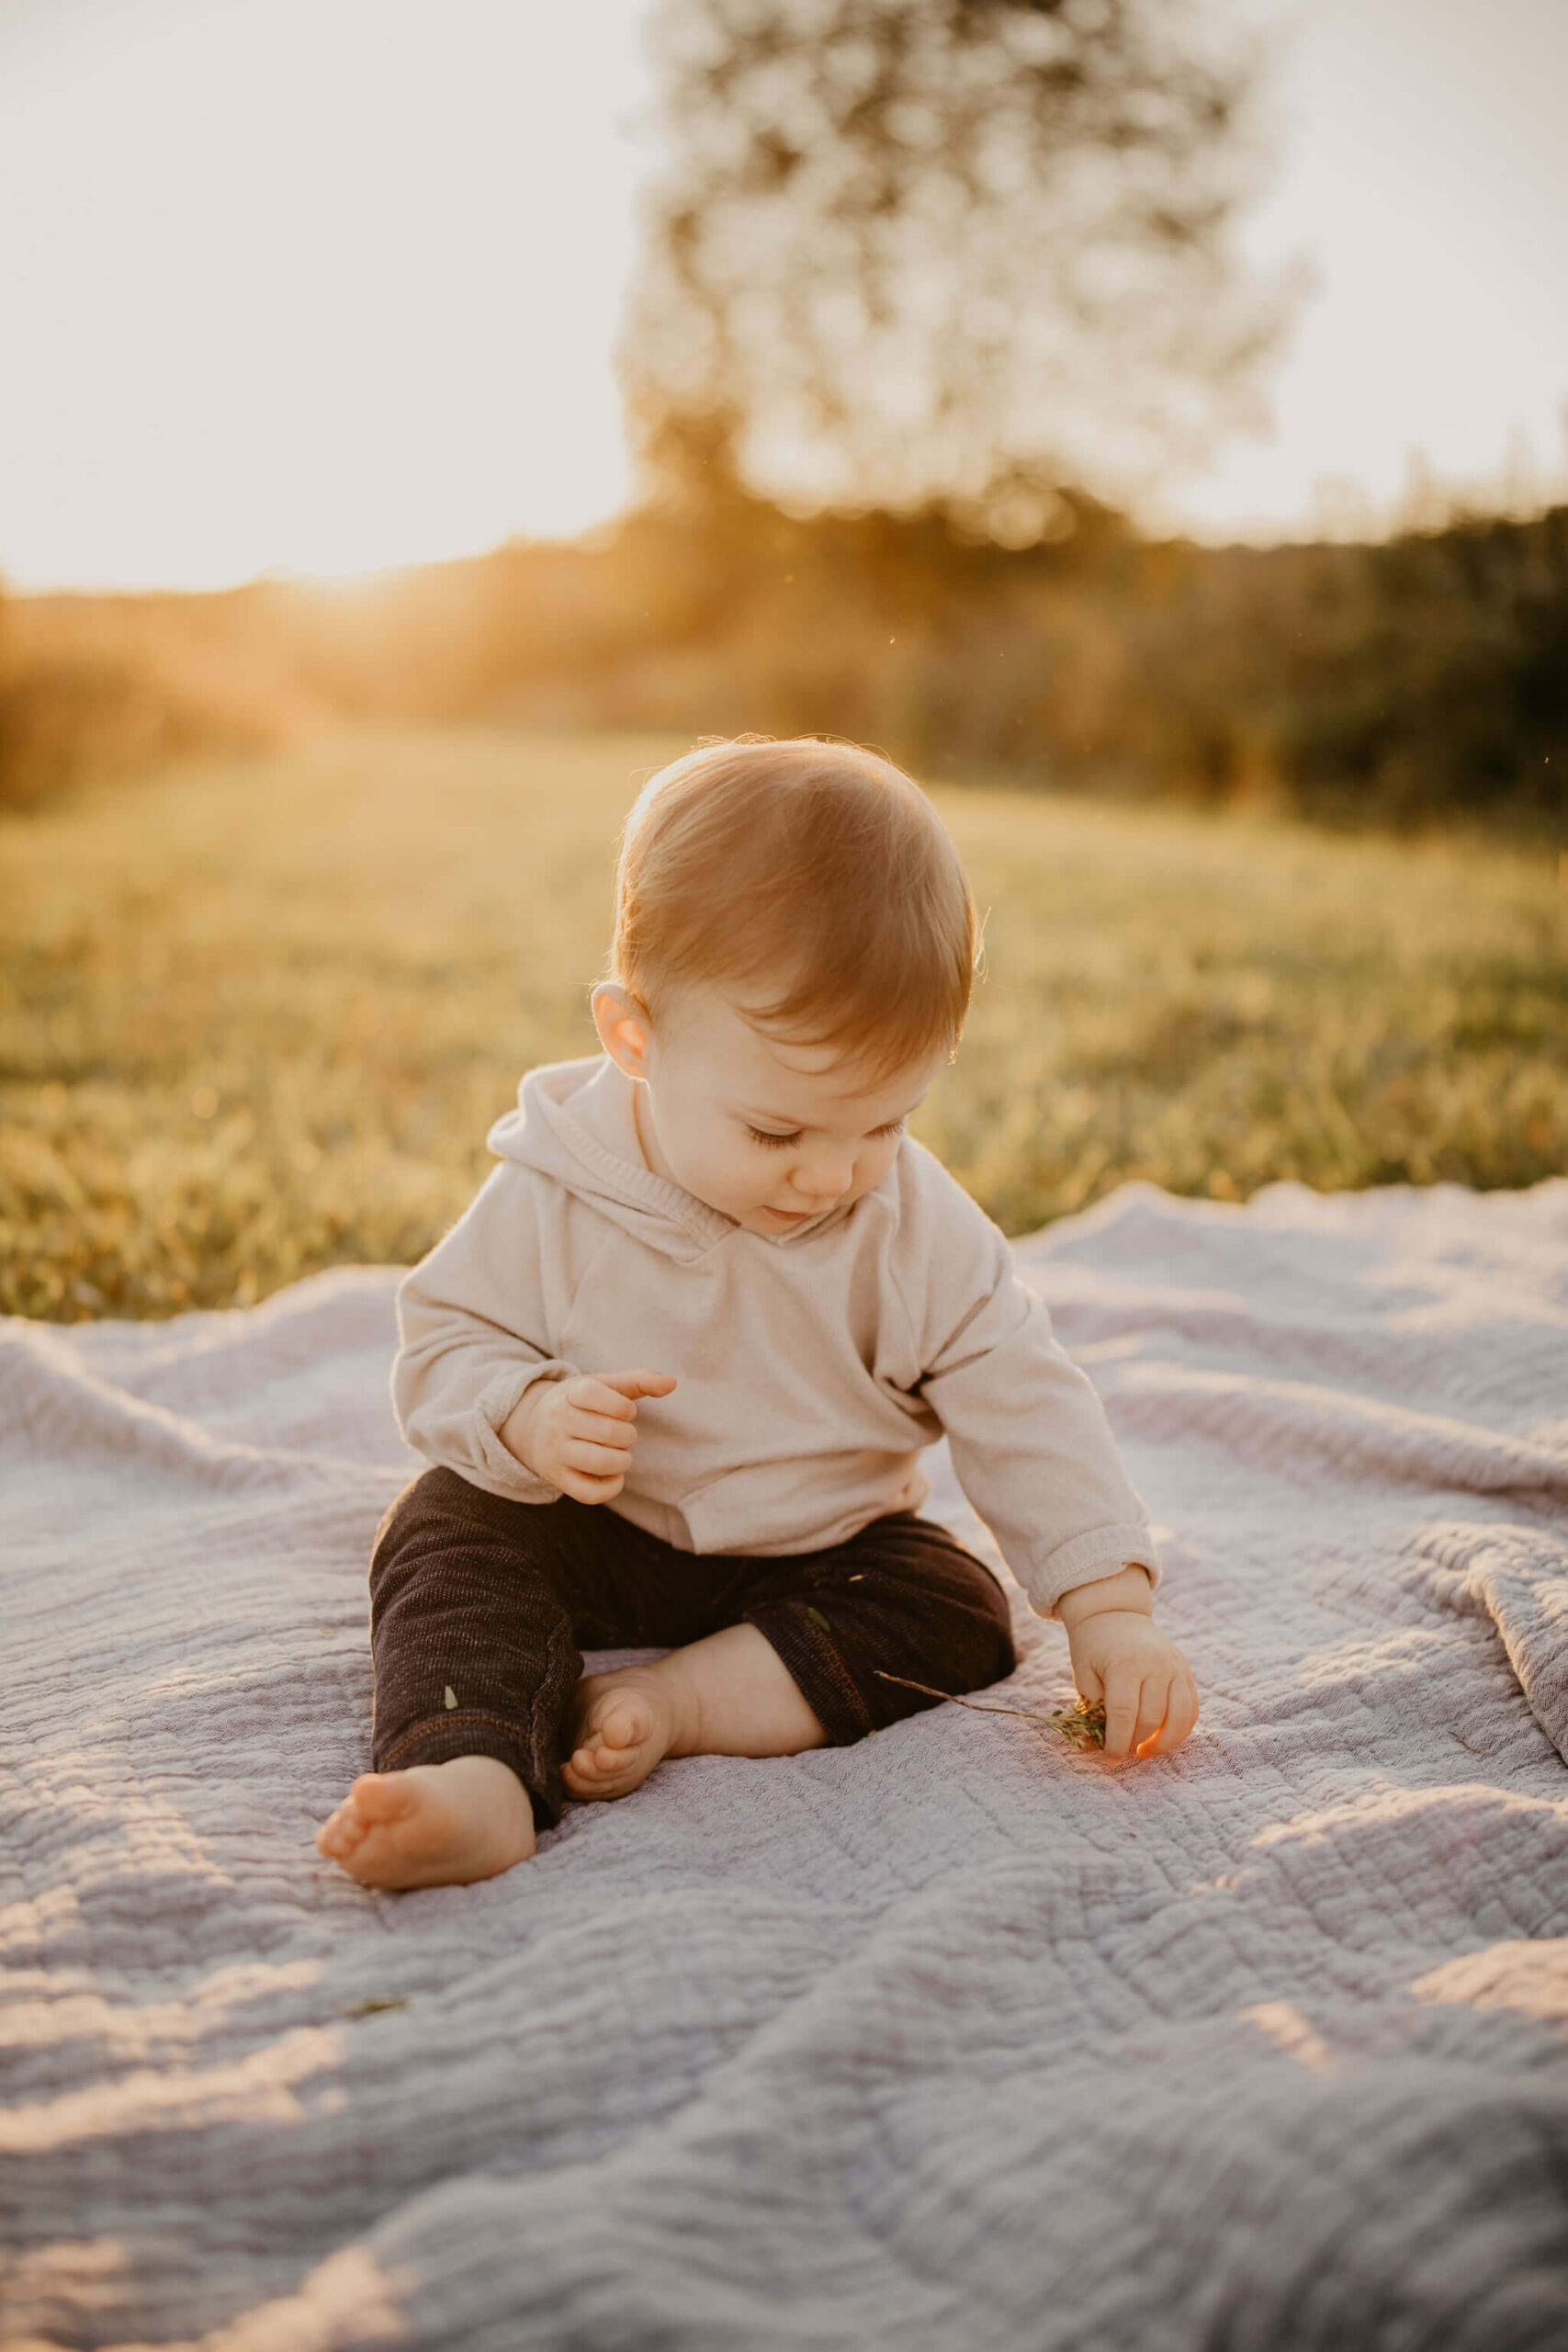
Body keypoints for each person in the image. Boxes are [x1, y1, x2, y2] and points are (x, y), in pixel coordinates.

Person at [316, 737, 1199, 1890]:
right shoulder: (556, 1182)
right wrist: (527, 1414)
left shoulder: (912, 1226)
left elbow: (1018, 1388)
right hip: (599, 1522)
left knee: (959, 1607)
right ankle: (470, 1770)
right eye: (777, 1132)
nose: (832, 1175)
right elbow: (441, 1344)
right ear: (635, 1039)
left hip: (819, 1549)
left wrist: (1108, 1605)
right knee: (445, 1530)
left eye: (883, 1124)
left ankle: (679, 1702)